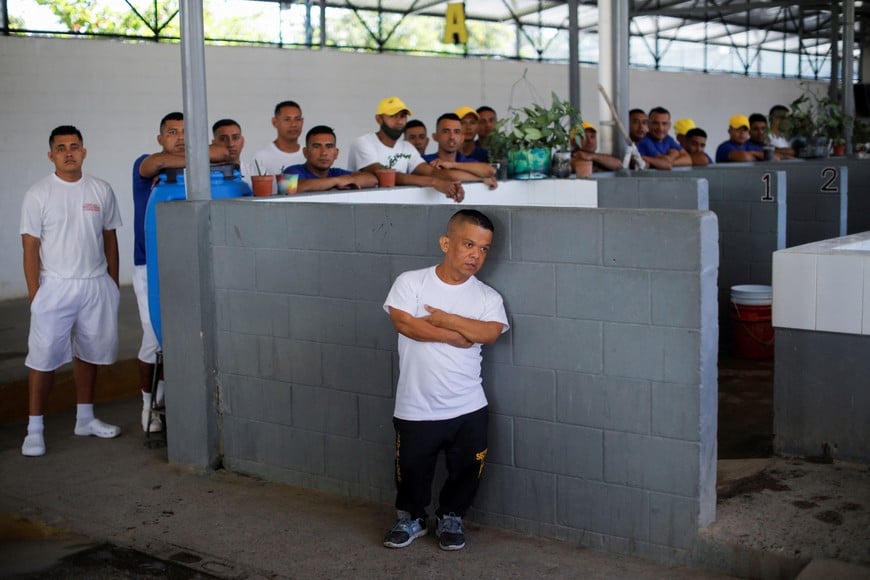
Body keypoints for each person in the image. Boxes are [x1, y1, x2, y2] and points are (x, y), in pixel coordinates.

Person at [382, 209, 509, 551]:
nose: (475, 255)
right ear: (445, 242)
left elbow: (489, 332)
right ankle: (411, 518)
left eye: (484, 249)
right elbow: (406, 324)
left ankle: (451, 516)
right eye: (469, 244)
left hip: (468, 405)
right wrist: (454, 335)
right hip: (416, 404)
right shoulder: (411, 282)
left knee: (467, 469)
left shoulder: (487, 297)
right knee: (410, 470)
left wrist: (445, 318)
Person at [20, 125, 123, 457]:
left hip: (95, 284)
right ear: (51, 155)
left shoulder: (101, 190)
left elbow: (110, 239)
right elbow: (30, 248)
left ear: (84, 151)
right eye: (61, 147)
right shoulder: (38, 194)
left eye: (74, 146)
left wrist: (112, 284)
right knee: (43, 357)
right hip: (55, 286)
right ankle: (34, 428)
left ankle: (85, 417)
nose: (68, 152)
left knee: (89, 351)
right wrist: (36, 295)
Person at [132, 112, 230, 432]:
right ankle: (147, 402)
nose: (180, 137)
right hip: (150, 266)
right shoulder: (144, 165)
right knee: (154, 338)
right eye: (172, 132)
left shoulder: (198, 168)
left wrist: (193, 154)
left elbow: (221, 153)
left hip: (186, 263)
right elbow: (154, 164)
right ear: (160, 138)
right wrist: (179, 157)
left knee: (187, 333)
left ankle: (166, 396)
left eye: (187, 133)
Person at [347, 96, 465, 202]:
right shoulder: (363, 143)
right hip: (364, 206)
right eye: (393, 116)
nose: (399, 121)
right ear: (379, 119)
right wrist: (434, 182)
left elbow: (430, 171)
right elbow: (388, 175)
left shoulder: (407, 147)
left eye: (403, 116)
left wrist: (453, 182)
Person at [282, 125, 377, 192]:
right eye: (316, 146)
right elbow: (286, 188)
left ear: (336, 153)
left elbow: (371, 179)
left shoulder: (336, 173)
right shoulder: (292, 170)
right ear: (305, 152)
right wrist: (336, 182)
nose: (323, 153)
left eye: (329, 146)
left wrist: (335, 183)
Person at [422, 113, 497, 188]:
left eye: (456, 132)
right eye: (446, 131)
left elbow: (490, 171)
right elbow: (449, 175)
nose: (452, 137)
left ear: (462, 138)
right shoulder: (425, 160)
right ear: (435, 137)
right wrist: (481, 178)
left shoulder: (465, 161)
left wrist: (452, 164)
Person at [252, 100, 306, 181]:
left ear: (302, 122)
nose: (293, 124)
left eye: (297, 119)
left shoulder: (309, 155)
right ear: (275, 122)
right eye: (287, 119)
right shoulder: (261, 157)